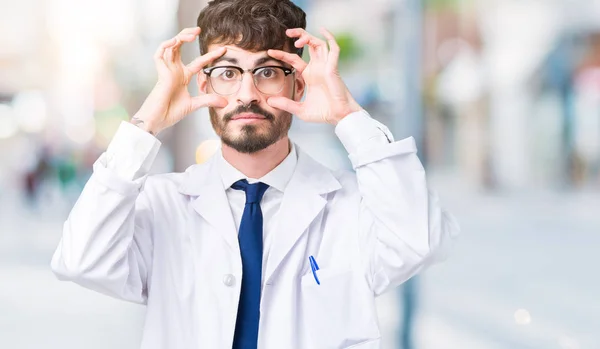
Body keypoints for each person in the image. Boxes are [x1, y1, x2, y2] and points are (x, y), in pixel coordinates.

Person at [51, 1, 459, 348]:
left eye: (266, 72)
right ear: (202, 84)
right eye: (228, 73)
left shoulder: (349, 207)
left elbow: (420, 241)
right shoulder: (162, 204)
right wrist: (146, 123)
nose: (247, 94)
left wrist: (348, 117)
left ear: (298, 85)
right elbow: (81, 260)